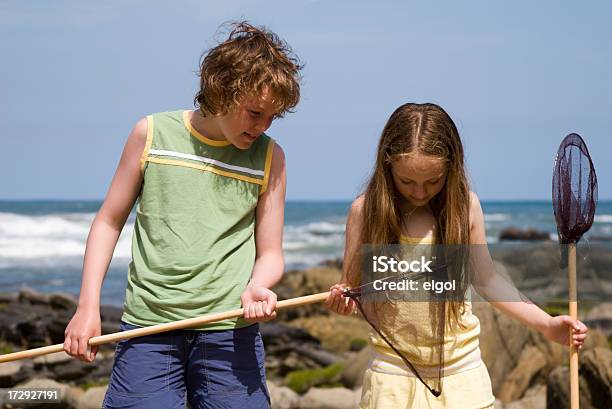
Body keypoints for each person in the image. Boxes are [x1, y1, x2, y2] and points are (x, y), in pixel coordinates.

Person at [63, 21, 302, 409]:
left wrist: (258, 284)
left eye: (272, 117)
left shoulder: (271, 157)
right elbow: (108, 222)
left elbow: (271, 252)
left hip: (230, 335)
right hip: (149, 330)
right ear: (221, 89)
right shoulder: (151, 134)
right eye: (255, 112)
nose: (262, 126)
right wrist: (87, 307)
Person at [325, 103, 588, 409]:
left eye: (433, 181)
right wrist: (344, 301)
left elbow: (488, 281)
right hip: (392, 380)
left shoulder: (464, 208)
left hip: (461, 376)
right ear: (387, 167)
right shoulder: (364, 212)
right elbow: (354, 291)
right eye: (407, 181)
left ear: (451, 167)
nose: (420, 193)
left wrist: (547, 324)